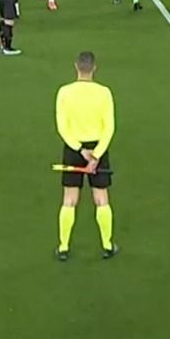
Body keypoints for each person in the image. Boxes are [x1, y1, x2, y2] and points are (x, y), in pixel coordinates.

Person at [54, 51, 117, 261]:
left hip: (74, 149)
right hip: (98, 149)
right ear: (94, 68)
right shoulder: (104, 93)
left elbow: (62, 127)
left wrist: (80, 150)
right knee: (101, 198)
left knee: (69, 199)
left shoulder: (64, 92)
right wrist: (96, 155)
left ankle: (63, 247)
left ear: (76, 67)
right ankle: (107, 245)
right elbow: (109, 128)